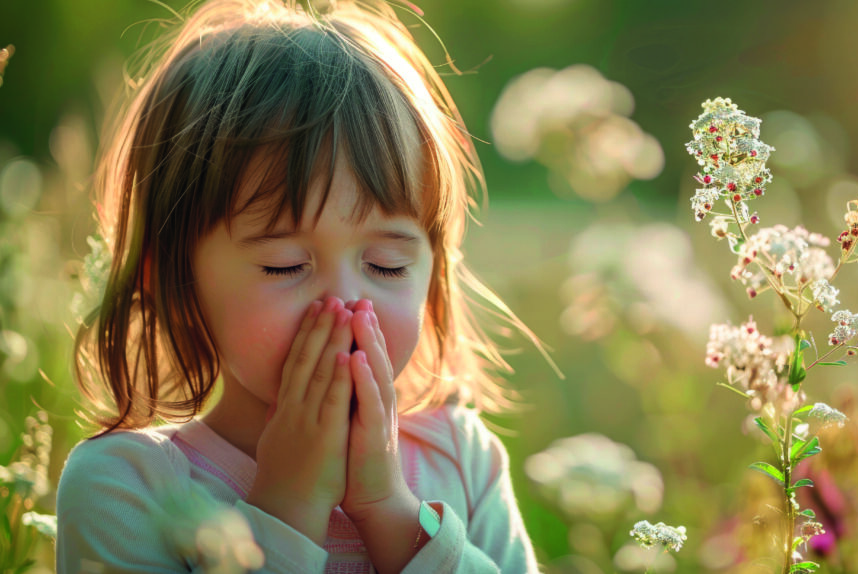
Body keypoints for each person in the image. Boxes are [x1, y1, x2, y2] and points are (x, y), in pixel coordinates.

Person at [56, 1, 544, 572]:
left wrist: (391, 511)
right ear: (173, 280)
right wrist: (288, 508)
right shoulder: (127, 487)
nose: (345, 305)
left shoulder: (462, 458)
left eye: (387, 265)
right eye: (285, 265)